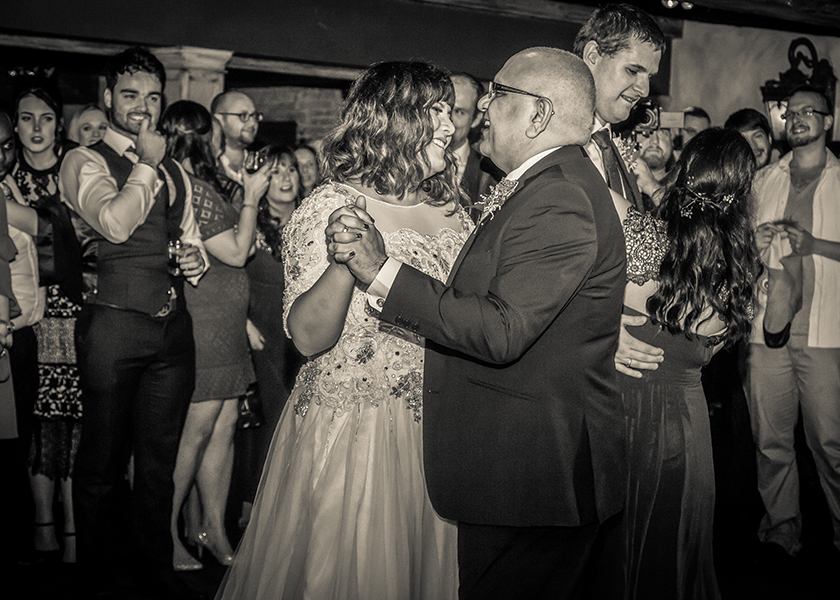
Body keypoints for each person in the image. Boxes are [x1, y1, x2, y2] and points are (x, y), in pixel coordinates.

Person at [330, 48, 626, 600]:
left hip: (532, 472)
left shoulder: (559, 194)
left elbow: (501, 330)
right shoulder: (546, 183)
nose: (483, 109)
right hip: (521, 466)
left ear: (538, 115)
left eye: (499, 96)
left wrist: (382, 272)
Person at [216, 61, 469, 600]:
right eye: (436, 111)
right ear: (392, 120)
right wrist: (343, 263)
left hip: (442, 427)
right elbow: (307, 338)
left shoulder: (453, 208)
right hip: (357, 426)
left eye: (451, 112)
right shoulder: (331, 206)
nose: (450, 125)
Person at [60, 47, 207, 599]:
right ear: (106, 99)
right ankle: (96, 580)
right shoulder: (84, 161)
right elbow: (116, 226)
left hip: (173, 332)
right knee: (99, 464)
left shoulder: (175, 170)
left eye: (152, 97)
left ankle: (154, 576)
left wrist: (195, 259)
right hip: (113, 330)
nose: (143, 108)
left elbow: (186, 238)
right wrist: (145, 161)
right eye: (129, 96)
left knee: (157, 468)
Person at [616, 128, 762, 599]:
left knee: (623, 552)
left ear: (686, 170)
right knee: (673, 556)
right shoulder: (741, 266)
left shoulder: (643, 238)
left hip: (625, 411)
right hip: (687, 427)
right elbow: (708, 347)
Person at [159, 100, 271, 572]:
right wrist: (251, 195)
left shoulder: (205, 186)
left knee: (223, 429)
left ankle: (212, 528)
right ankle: (163, 533)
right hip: (204, 320)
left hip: (227, 320)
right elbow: (238, 250)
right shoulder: (193, 189)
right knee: (196, 430)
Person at [748, 85, 840, 559]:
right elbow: (739, 247)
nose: (799, 118)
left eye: (810, 112)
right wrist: (754, 239)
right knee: (770, 441)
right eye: (792, 112)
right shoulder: (766, 179)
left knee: (830, 444)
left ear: (828, 121)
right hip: (767, 330)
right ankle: (781, 531)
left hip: (826, 332)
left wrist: (817, 247)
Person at [9, 82, 84, 565]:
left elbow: (80, 236)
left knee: (79, 420)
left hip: (78, 312)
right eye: (27, 118)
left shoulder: (77, 171)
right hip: (26, 318)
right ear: (14, 126)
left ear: (60, 124)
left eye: (46, 118)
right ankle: (43, 524)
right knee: (37, 420)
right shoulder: (5, 175)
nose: (36, 128)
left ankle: (76, 529)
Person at [236, 144, 304, 519]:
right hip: (263, 333)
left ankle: (287, 507)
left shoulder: (312, 220)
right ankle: (255, 507)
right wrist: (242, 323)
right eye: (276, 172)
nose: (285, 179)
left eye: (291, 170)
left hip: (302, 334)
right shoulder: (250, 225)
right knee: (273, 417)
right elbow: (229, 276)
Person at [212, 90, 261, 188]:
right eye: (243, 116)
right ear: (219, 119)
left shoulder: (262, 166)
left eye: (255, 116)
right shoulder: (208, 167)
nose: (252, 123)